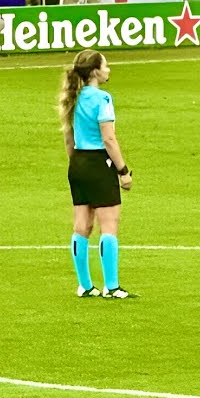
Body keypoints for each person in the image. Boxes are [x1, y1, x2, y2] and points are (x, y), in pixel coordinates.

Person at [60, 49, 133, 299]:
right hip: (99, 162)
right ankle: (111, 287)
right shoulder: (102, 99)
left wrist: (77, 163)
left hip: (78, 162)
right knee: (109, 226)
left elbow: (68, 138)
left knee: (82, 226)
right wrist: (123, 170)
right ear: (94, 72)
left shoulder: (73, 98)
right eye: (106, 66)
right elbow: (109, 139)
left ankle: (85, 285)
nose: (109, 70)